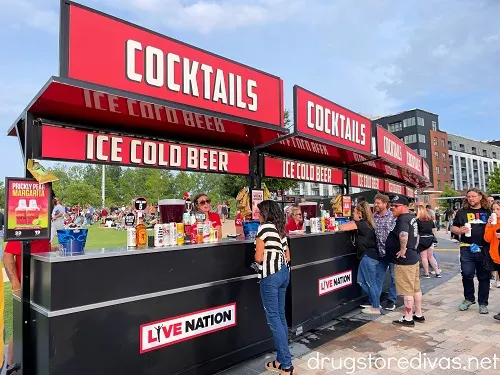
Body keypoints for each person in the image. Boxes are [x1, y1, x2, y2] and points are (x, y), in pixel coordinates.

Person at [254, 200, 295, 375]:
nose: (257, 215)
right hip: (284, 274)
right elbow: (288, 254)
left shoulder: (263, 229)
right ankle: (280, 360)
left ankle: (287, 365)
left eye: (259, 212)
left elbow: (258, 257)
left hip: (270, 276)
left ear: (265, 213)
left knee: (274, 319)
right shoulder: (280, 230)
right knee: (280, 317)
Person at [3, 239, 51, 371]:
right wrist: (15, 284)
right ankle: (10, 365)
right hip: (25, 286)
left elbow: (41, 252)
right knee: (20, 325)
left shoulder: (44, 228)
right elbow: (7, 255)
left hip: (42, 284)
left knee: (38, 323)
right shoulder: (24, 226)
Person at [386, 194, 423, 327]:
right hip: (413, 257)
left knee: (407, 290)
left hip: (404, 261)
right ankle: (418, 314)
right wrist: (413, 248)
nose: (393, 208)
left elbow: (404, 235)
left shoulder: (402, 219)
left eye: (396, 206)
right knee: (415, 288)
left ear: (405, 207)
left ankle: (408, 318)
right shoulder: (411, 217)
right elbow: (417, 236)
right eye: (392, 207)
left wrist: (403, 250)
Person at [452, 188, 491, 314]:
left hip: (484, 248)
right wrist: (459, 231)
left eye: (473, 196)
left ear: (480, 197)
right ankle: (469, 298)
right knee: (467, 274)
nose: (470, 199)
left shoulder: (488, 212)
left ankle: (483, 303)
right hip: (466, 247)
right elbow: (453, 227)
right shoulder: (462, 212)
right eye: (468, 197)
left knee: (484, 277)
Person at [340, 202, 380, 314]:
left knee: (371, 283)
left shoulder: (361, 224)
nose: (352, 213)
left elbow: (342, 227)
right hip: (369, 256)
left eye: (354, 211)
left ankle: (376, 307)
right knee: (361, 281)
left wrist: (354, 221)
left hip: (368, 256)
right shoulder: (368, 223)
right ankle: (374, 303)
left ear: (360, 213)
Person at [373, 193, 398, 311]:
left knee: (394, 277)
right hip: (380, 253)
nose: (376, 205)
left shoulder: (393, 216)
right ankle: (375, 301)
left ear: (385, 204)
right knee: (378, 276)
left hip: (392, 253)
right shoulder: (374, 216)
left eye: (378, 203)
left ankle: (391, 300)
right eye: (375, 202)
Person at [484, 200, 500, 321]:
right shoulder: (492, 223)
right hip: (497, 258)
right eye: (493, 209)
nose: (495, 212)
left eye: (498, 209)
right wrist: (489, 226)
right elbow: (487, 239)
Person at [416, 206, 441, 278]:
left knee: (424, 257)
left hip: (422, 239)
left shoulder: (417, 221)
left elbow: (416, 232)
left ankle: (426, 273)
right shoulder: (430, 220)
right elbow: (434, 231)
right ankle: (437, 272)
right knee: (431, 256)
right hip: (430, 239)